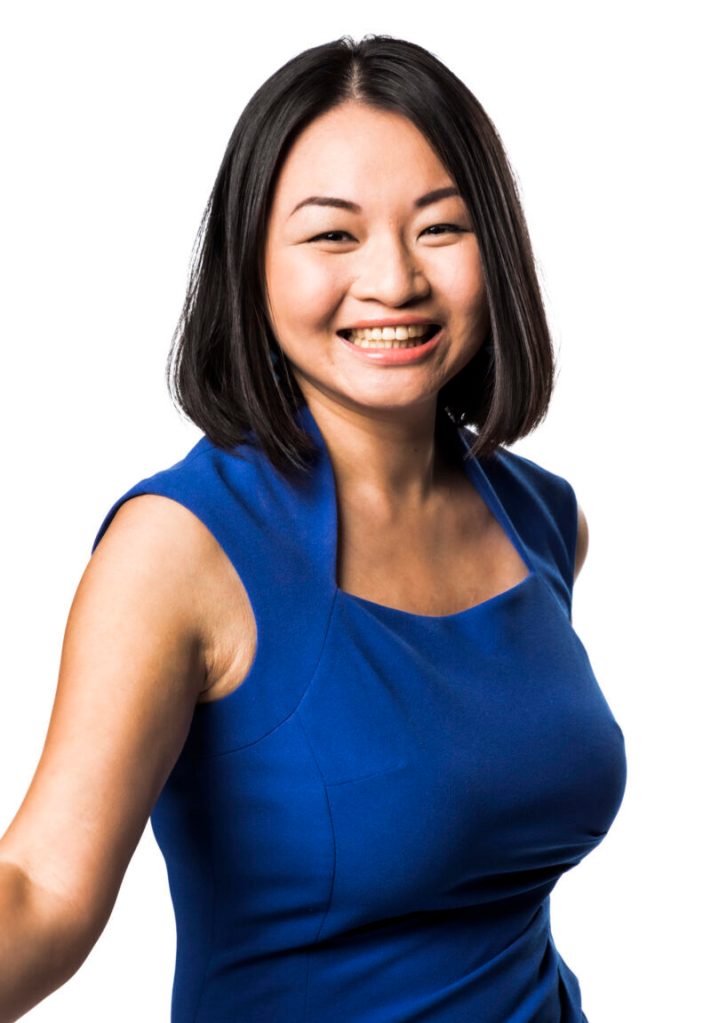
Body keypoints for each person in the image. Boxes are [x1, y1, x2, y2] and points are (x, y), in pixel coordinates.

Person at [0, 33, 627, 1023]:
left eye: (440, 229)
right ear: (250, 265)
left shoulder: (544, 519)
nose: (393, 282)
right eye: (333, 235)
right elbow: (37, 886)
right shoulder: (177, 551)